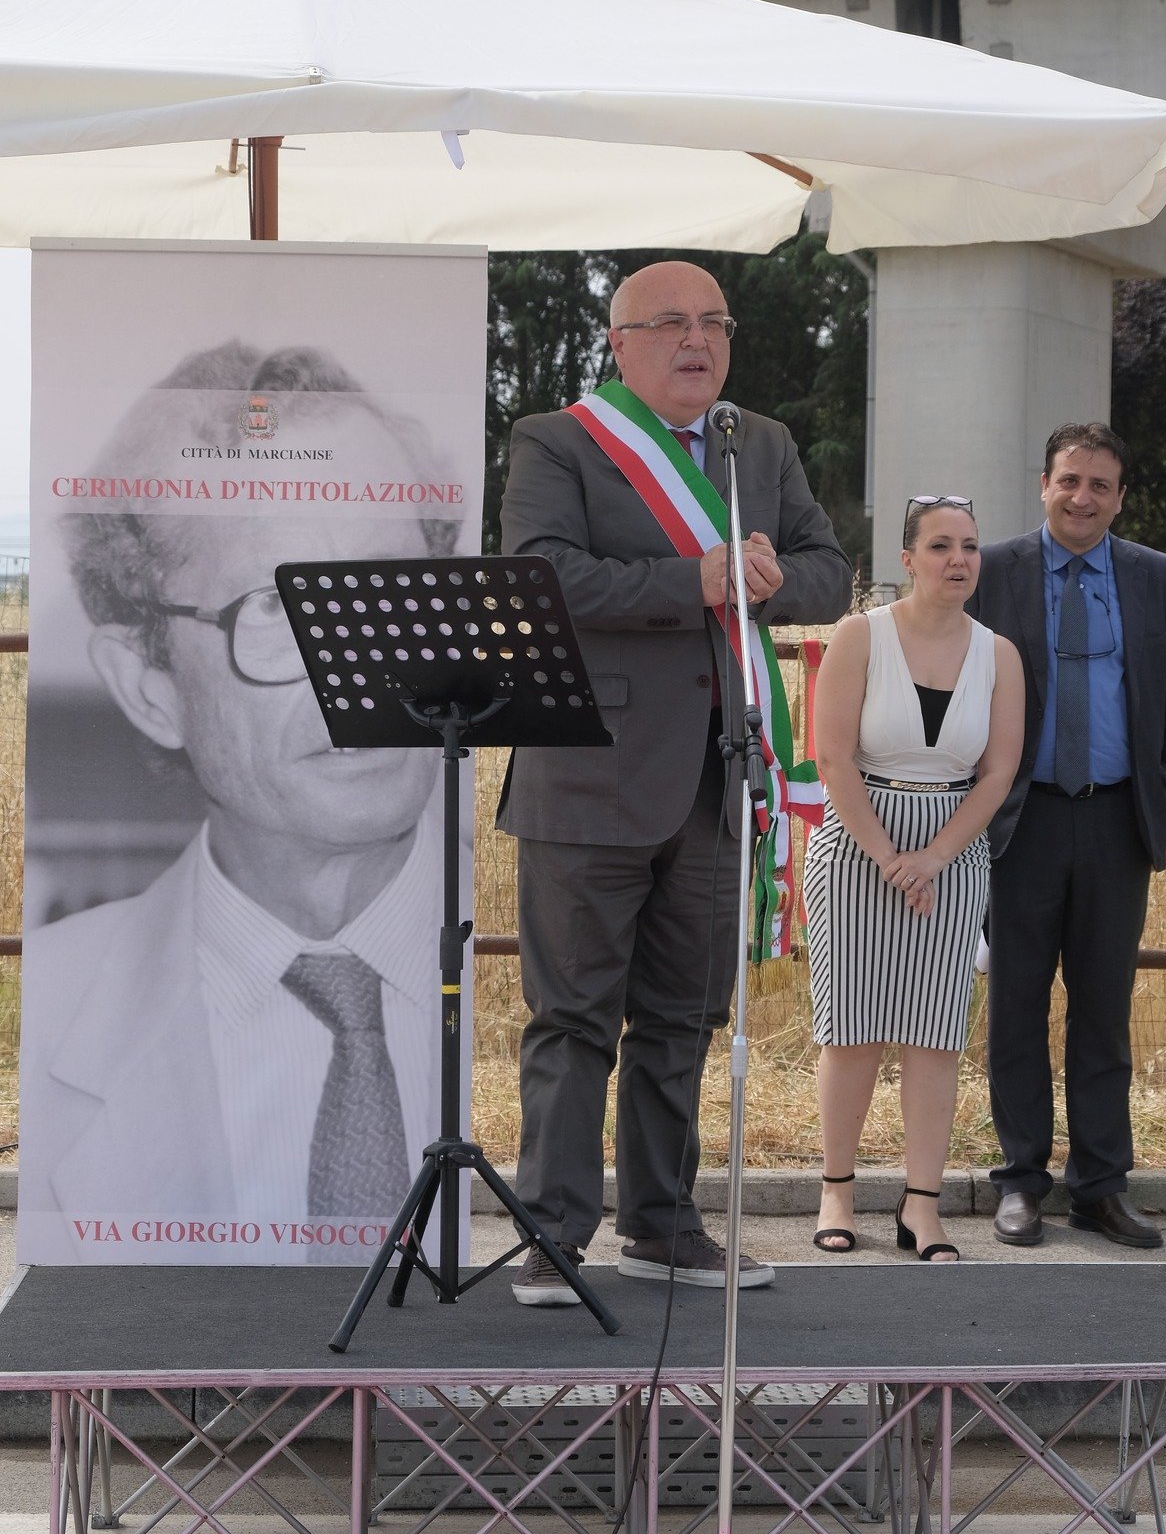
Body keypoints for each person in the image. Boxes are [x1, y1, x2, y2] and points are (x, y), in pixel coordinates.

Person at [20, 344, 461, 1262]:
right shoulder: (58, 1001)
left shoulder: (542, 967)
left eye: (393, 592)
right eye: (277, 606)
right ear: (150, 688)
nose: (361, 670)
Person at [498, 259, 852, 1305]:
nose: (696, 340)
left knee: (681, 1017)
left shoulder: (759, 444)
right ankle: (553, 1234)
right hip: (589, 774)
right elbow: (542, 575)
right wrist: (690, 579)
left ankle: (661, 1225)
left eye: (713, 322)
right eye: (670, 324)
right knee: (572, 1019)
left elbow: (829, 571)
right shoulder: (557, 440)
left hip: (720, 774)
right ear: (620, 343)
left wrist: (768, 579)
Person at [967, 422, 1166, 1249]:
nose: (1081, 497)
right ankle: (1020, 1181)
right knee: (1016, 1006)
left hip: (1114, 821)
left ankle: (1099, 1185)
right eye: (1068, 480)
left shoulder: (1158, 578)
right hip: (1017, 822)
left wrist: (1153, 817)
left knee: (1102, 1011)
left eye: (1099, 484)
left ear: (1120, 497)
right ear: (1043, 485)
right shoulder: (993, 570)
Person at [804, 498, 1024, 1260]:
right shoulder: (859, 636)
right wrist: (886, 855)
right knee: (851, 1029)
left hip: (951, 854)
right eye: (939, 546)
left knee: (934, 1034)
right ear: (906, 559)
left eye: (969, 546)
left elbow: (997, 772)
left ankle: (921, 1205)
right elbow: (831, 758)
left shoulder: (998, 655)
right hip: (855, 847)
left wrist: (931, 857)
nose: (957, 560)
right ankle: (836, 1193)